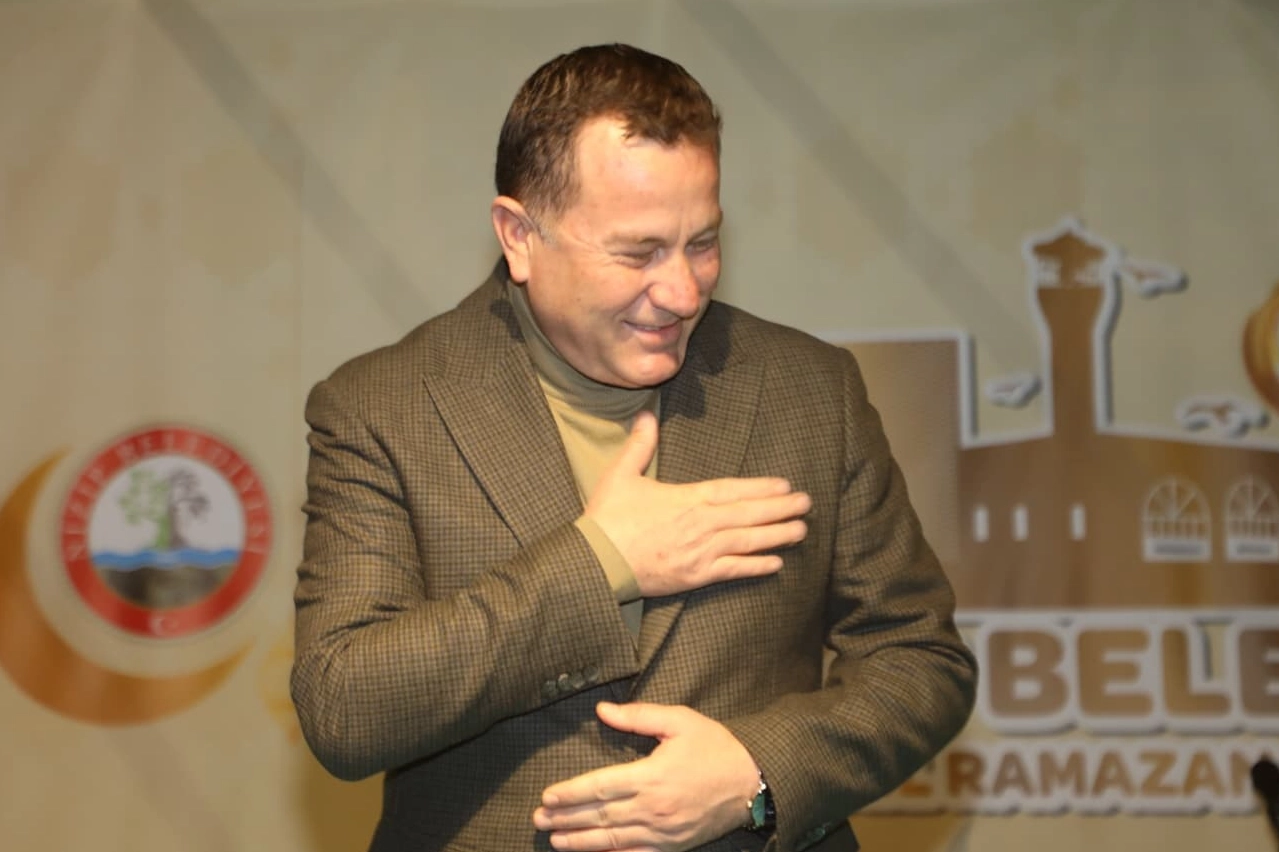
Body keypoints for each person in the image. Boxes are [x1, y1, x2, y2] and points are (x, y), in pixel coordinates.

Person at [292, 43, 977, 852]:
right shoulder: (383, 406)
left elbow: (918, 658)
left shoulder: (809, 391)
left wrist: (756, 775)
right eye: (637, 252)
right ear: (518, 234)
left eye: (702, 243)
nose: (682, 293)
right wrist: (601, 563)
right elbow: (345, 706)